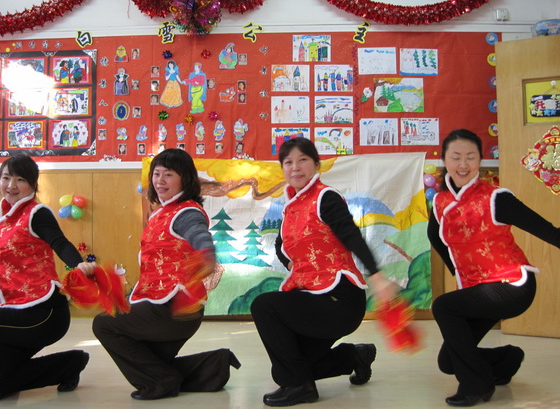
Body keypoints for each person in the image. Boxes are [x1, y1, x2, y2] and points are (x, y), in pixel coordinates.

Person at [250, 137, 397, 407]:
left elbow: (350, 234)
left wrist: (376, 274)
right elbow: (281, 245)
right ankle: (355, 357)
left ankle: (301, 387)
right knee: (287, 368)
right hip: (312, 298)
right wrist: (292, 264)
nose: (295, 167)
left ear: (317, 165)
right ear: (282, 169)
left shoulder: (325, 197)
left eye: (303, 160)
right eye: (288, 162)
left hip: (339, 301)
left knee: (264, 306)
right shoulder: (291, 207)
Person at [92, 148, 240, 400]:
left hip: (172, 310)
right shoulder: (162, 212)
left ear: (185, 179)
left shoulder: (186, 212)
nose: (160, 181)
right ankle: (214, 365)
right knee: (151, 359)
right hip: (168, 308)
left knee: (104, 324)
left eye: (168, 174)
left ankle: (161, 383)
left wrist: (205, 251)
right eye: (156, 174)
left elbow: (197, 232)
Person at [428, 129, 560, 407]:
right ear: (445, 160)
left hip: (512, 285)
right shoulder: (440, 202)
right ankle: (506, 360)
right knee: (448, 361)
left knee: (444, 306)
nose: (463, 164)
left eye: (470, 157)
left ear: (480, 160)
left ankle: (476, 386)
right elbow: (434, 235)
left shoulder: (496, 198)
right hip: (479, 288)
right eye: (456, 157)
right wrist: (460, 273)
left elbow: (547, 230)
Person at [0, 154, 96, 403]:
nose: (11, 185)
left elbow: (60, 242)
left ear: (33, 184)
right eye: (6, 178)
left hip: (43, 314)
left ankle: (2, 377)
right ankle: (69, 363)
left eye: (20, 179)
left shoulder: (37, 213)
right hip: (15, 312)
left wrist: (79, 264)